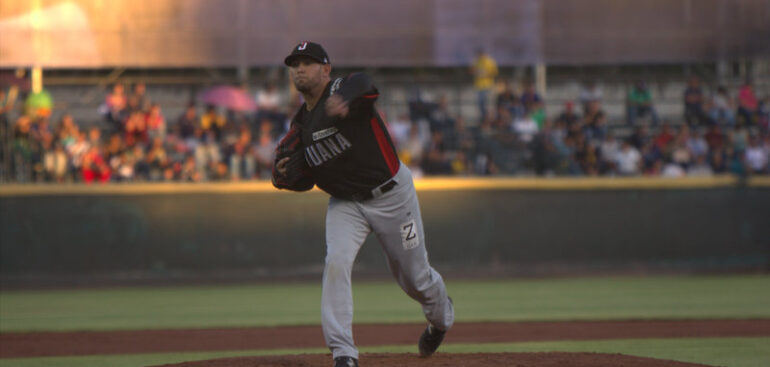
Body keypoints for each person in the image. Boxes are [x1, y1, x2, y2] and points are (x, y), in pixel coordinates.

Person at [274, 42, 454, 367]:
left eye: (308, 62)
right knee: (336, 262)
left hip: (392, 195)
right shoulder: (301, 126)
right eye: (295, 63)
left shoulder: (341, 89)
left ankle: (440, 319)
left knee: (416, 280)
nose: (300, 68)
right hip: (346, 204)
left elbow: (365, 82)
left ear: (326, 70)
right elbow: (301, 177)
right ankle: (343, 352)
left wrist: (345, 99)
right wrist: (283, 176)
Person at [470, 48, 498, 123]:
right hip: (479, 85)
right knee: (480, 103)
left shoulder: (490, 61)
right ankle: (484, 118)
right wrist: (476, 72)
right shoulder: (476, 62)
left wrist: (485, 74)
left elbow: (494, 72)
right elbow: (471, 70)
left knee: (486, 103)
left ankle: (487, 118)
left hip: (487, 85)